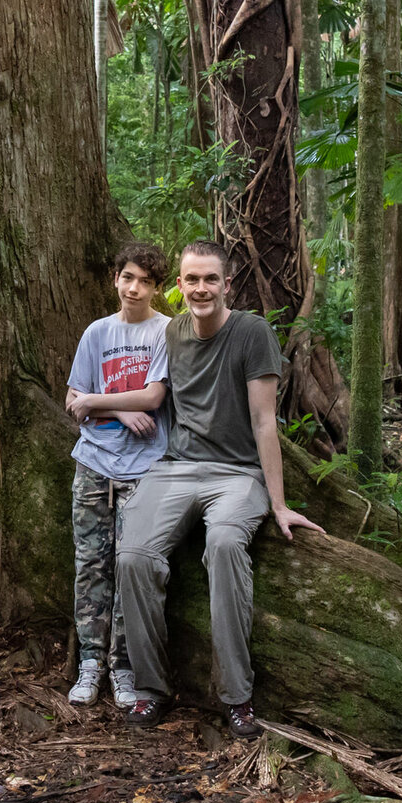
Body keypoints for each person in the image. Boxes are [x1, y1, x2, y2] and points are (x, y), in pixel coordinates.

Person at [115, 240, 325, 735]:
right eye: (192, 279)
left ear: (227, 284)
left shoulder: (252, 333)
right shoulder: (171, 332)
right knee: (133, 556)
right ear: (180, 286)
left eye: (211, 279)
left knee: (227, 544)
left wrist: (278, 503)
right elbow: (151, 395)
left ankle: (237, 695)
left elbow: (264, 421)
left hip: (237, 474)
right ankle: (150, 689)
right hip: (175, 469)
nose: (201, 288)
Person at [62, 242, 173, 708]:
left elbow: (152, 398)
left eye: (145, 281)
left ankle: (124, 667)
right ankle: (90, 662)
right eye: (128, 277)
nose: (134, 288)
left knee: (133, 567)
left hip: (145, 468)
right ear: (115, 278)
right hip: (93, 464)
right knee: (91, 565)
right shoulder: (96, 333)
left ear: (156, 288)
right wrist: (112, 409)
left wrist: (98, 401)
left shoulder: (166, 332)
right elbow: (73, 401)